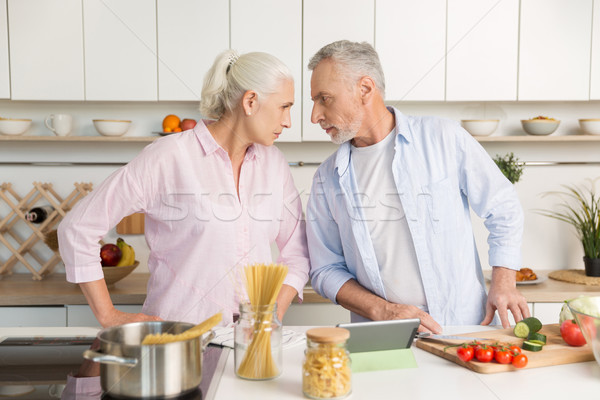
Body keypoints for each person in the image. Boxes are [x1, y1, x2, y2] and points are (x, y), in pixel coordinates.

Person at [58, 50, 310, 328]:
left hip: (252, 347)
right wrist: (108, 315)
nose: (288, 121)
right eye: (284, 107)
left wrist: (273, 313)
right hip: (177, 343)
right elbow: (77, 228)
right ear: (250, 101)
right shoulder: (169, 156)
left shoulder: (274, 164)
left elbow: (297, 253)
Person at [305, 40, 528, 333]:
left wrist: (504, 282)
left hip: (463, 327)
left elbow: (503, 206)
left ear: (365, 89)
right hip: (382, 336)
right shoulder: (327, 177)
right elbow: (325, 270)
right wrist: (384, 311)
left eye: (324, 98)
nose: (314, 116)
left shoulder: (443, 138)